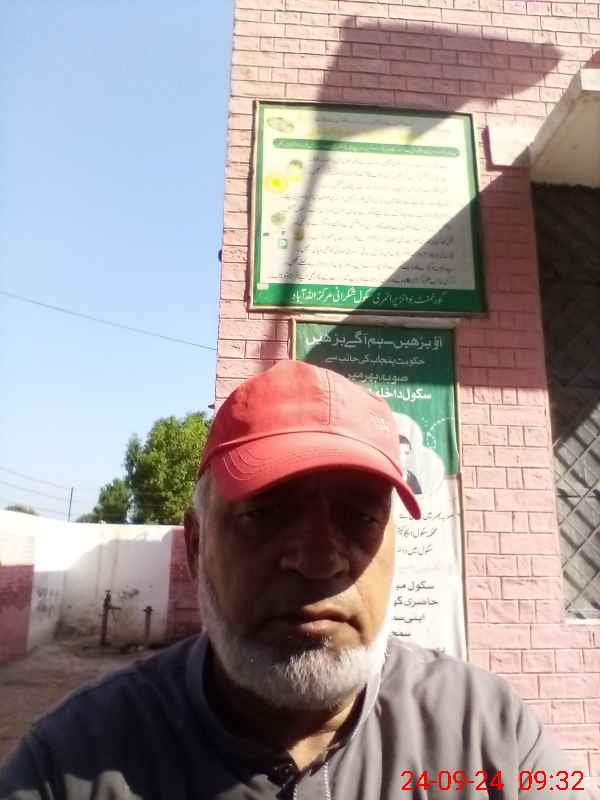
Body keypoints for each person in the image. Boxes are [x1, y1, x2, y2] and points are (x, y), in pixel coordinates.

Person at [0, 361, 590, 799]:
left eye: (360, 517)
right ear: (197, 545)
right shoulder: (67, 766)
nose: (318, 560)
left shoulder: (494, 739)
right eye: (266, 512)